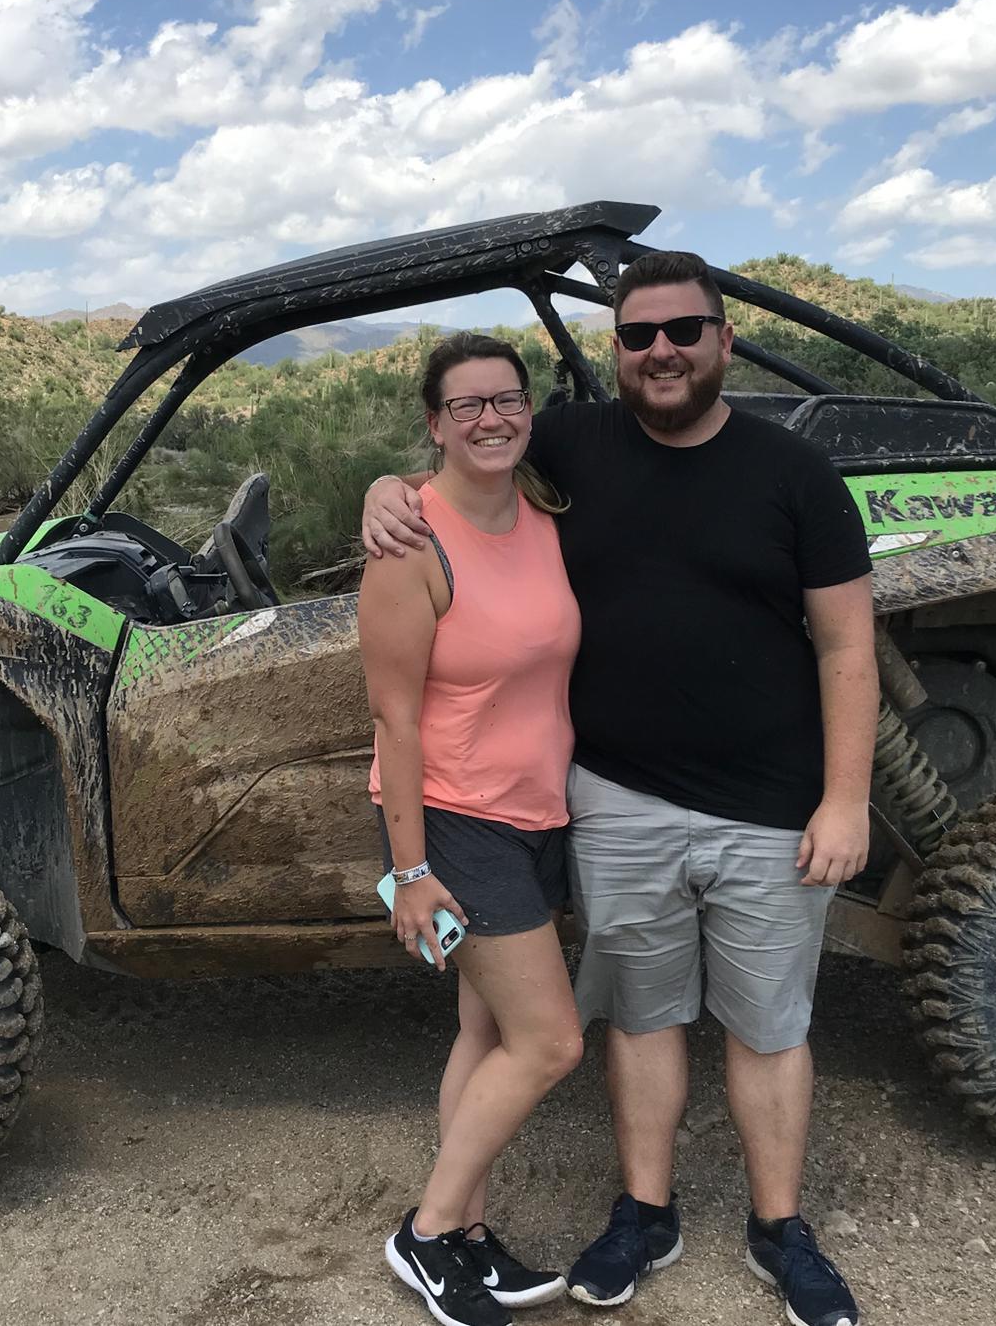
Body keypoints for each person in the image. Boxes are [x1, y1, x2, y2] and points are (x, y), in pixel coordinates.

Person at [363, 252, 876, 1326]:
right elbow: (458, 459)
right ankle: (638, 1213)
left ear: (724, 341)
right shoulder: (573, 442)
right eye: (640, 335)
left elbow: (847, 649)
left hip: (769, 809)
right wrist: (385, 493)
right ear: (616, 350)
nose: (663, 351)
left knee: (767, 1025)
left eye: (685, 331)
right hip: (614, 803)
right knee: (632, 1019)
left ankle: (781, 1231)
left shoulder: (795, 476)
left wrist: (846, 797)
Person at [360, 332, 584, 1326]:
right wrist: (408, 872)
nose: (490, 418)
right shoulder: (412, 544)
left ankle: (465, 1237)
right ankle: (425, 1231)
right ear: (434, 422)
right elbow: (392, 720)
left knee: (486, 1027)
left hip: (535, 810)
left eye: (506, 399)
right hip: (451, 826)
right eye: (466, 405)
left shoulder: (541, 509)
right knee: (551, 1042)